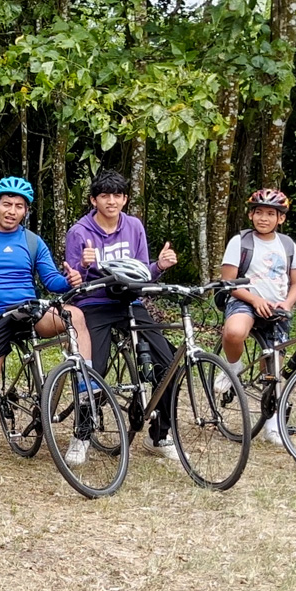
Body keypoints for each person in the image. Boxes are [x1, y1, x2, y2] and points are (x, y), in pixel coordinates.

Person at [0, 177, 81, 471]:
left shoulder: (33, 242)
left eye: (19, 206)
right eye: (7, 204)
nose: (12, 211)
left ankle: (79, 377)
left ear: (26, 211)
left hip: (28, 309)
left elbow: (51, 281)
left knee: (71, 318)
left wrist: (70, 280)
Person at [63, 168, 179, 462]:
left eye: (117, 195)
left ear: (125, 199)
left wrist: (160, 266)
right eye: (104, 196)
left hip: (130, 301)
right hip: (95, 303)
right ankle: (83, 434)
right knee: (92, 369)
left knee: (168, 363)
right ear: (93, 200)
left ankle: (160, 434)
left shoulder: (134, 226)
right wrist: (83, 264)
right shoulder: (79, 232)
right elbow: (73, 280)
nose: (111, 201)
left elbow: (141, 273)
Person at [217, 189, 296, 445]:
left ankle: (273, 422)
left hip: (277, 308)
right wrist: (255, 299)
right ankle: (233, 367)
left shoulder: (287, 245)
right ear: (250, 215)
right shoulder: (240, 242)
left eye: (270, 214)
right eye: (258, 213)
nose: (263, 218)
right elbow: (228, 281)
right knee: (234, 332)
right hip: (245, 301)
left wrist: (286, 303)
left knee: (274, 369)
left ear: (281, 219)